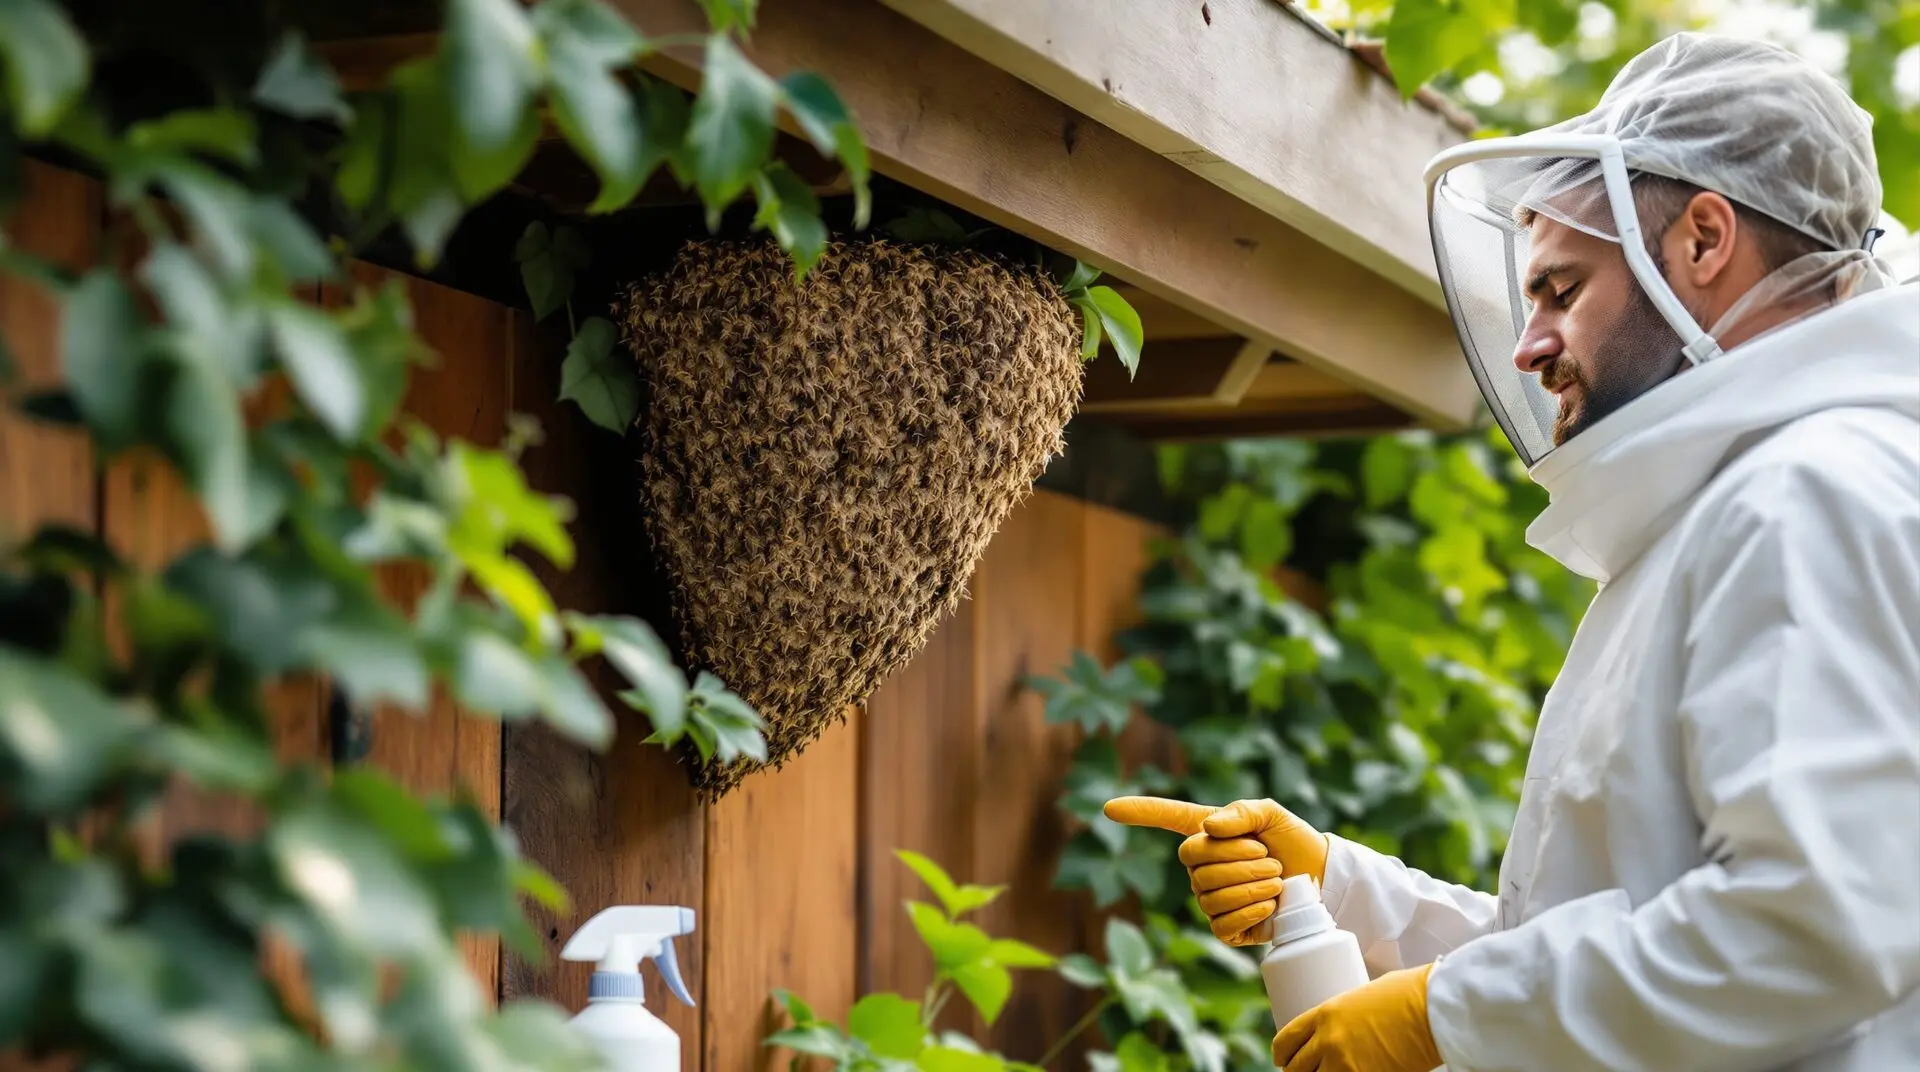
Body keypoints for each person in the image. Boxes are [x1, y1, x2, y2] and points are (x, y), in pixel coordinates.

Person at [1107, 32, 1919, 1072]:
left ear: (1705, 241)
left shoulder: (1809, 494)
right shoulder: (1733, 506)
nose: (1530, 344)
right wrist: (1346, 890)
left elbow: (1813, 928)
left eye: (1563, 289)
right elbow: (1639, 938)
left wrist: (1443, 1015)